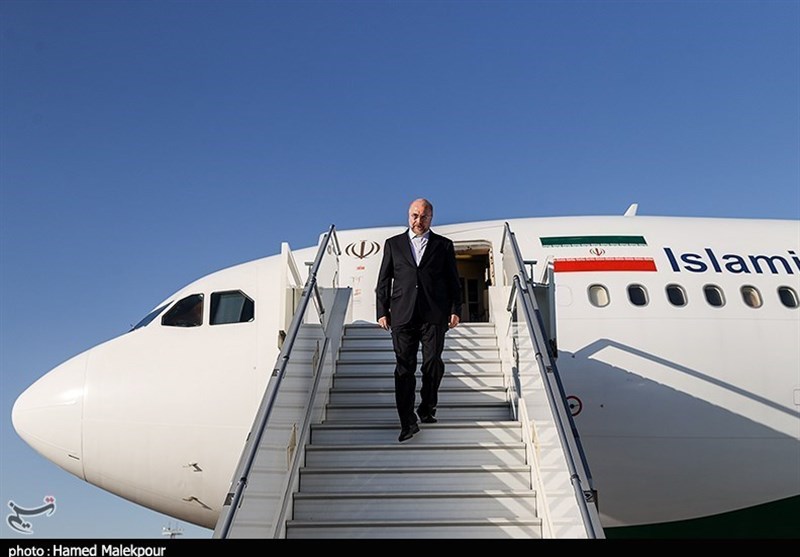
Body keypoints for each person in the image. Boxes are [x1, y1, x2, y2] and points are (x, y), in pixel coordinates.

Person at [376, 198, 462, 442]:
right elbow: (384, 280)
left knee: (433, 362)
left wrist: (455, 309)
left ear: (431, 218)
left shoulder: (443, 245)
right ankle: (407, 422)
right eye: (415, 215)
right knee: (404, 368)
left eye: (424, 216)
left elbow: (453, 280)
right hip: (402, 314)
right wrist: (382, 311)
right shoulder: (393, 244)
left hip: (434, 314)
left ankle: (427, 406)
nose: (418, 220)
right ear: (408, 216)